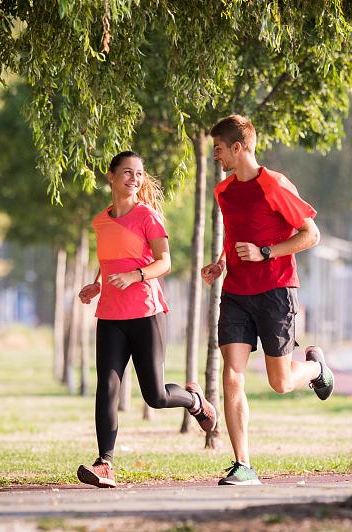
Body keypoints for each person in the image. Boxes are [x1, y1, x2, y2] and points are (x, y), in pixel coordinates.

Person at [201, 115, 334, 486]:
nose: (217, 156)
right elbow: (234, 235)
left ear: (238, 148)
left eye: (220, 149)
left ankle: (316, 369)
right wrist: (221, 263)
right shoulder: (223, 191)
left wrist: (265, 252)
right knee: (232, 374)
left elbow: (312, 234)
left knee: (280, 382)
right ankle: (243, 464)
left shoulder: (274, 185)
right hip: (236, 293)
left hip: (276, 291)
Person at [76, 150, 217, 488]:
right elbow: (111, 257)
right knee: (107, 387)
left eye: (138, 174)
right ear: (111, 176)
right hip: (110, 313)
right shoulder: (100, 220)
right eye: (126, 172)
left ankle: (195, 401)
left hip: (145, 312)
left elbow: (164, 262)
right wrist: (96, 283)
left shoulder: (147, 216)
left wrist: (136, 276)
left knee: (155, 395)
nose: (134, 179)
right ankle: (105, 463)